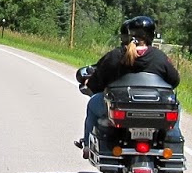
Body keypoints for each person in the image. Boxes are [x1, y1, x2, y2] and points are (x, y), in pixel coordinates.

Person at [76, 15, 180, 151]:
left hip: (120, 107)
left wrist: (90, 82)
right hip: (155, 110)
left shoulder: (115, 55)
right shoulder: (159, 57)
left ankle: (87, 145)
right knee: (175, 107)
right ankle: (173, 140)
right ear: (151, 35)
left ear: (129, 34)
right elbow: (174, 80)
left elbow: (96, 82)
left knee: (92, 104)